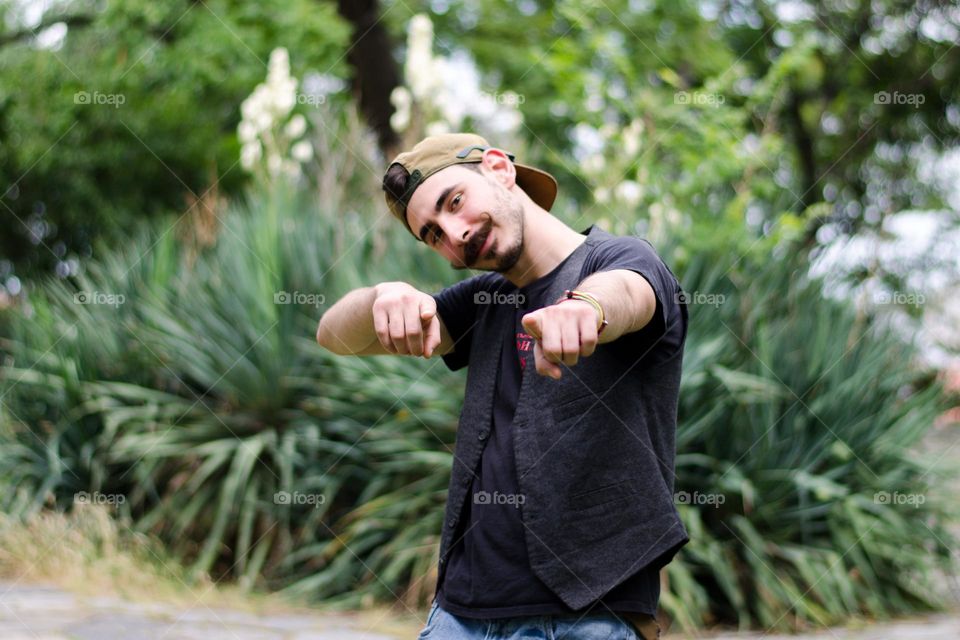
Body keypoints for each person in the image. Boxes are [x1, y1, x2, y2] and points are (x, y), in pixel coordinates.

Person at [316, 132, 689, 640]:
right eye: (432, 234)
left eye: (454, 202)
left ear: (498, 169)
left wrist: (586, 310)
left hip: (592, 615)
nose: (454, 236)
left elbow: (630, 291)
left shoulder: (621, 260)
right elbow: (334, 335)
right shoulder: (486, 300)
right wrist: (381, 296)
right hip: (460, 615)